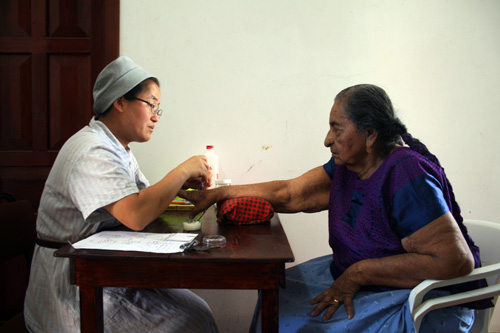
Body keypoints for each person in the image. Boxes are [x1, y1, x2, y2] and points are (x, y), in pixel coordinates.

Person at [181, 84, 491, 332]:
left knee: (292, 322)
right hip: (361, 277)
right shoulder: (351, 164)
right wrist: (219, 195)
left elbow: (455, 262)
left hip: (415, 298)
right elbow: (290, 193)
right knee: (277, 298)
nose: (327, 139)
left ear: (370, 135)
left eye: (337, 128)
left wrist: (358, 273)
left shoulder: (406, 173)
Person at [24, 56, 219, 332]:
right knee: (190, 323)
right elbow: (137, 215)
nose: (155, 116)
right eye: (151, 104)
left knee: (198, 312)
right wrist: (182, 170)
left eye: (158, 109)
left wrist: (181, 186)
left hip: (104, 271)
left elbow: (145, 201)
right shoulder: (91, 149)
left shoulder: (118, 148)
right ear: (119, 101)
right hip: (72, 287)